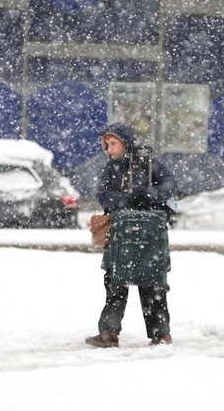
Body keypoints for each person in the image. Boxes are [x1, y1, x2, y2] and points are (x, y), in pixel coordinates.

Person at [85, 122, 176, 348]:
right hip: (119, 233)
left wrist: (149, 194)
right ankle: (109, 333)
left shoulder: (148, 163)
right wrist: (126, 199)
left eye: (114, 143)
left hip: (147, 234)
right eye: (107, 144)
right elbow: (103, 195)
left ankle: (161, 334)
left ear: (125, 143)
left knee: (152, 283)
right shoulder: (110, 167)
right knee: (115, 282)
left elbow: (170, 184)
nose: (110, 149)